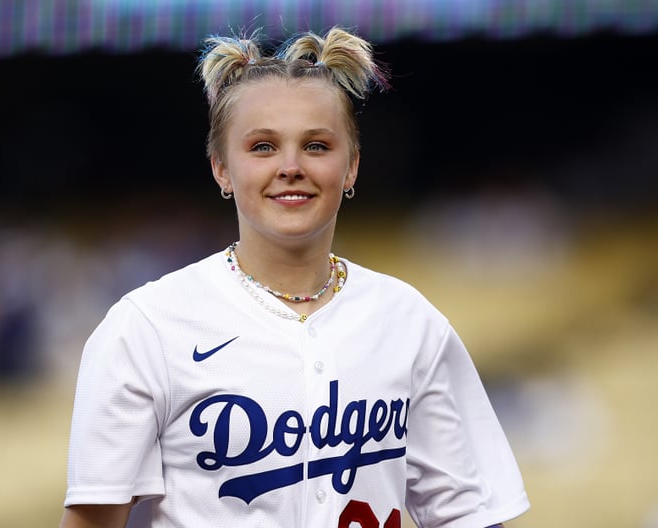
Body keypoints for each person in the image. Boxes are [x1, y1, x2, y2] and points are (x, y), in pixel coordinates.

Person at [59, 27, 530, 528]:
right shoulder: (147, 327)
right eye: (262, 147)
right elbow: (94, 518)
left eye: (317, 146)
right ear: (221, 168)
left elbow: (466, 514)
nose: (290, 167)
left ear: (351, 168)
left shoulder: (409, 321)